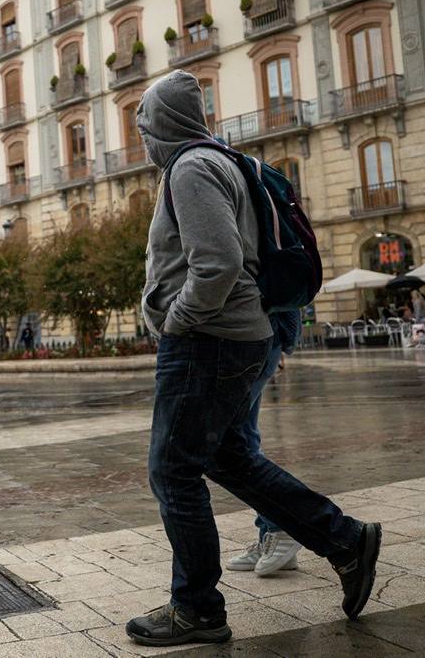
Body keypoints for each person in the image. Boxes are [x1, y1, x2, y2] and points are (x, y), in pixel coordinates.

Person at [127, 72, 379, 647]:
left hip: (208, 341)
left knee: (173, 470)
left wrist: (177, 321)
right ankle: (345, 540)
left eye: (144, 127)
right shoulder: (217, 161)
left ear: (164, 124)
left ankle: (197, 610)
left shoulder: (191, 168)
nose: (142, 140)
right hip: (231, 339)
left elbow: (216, 263)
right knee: (229, 457)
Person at [226, 309, 303, 577]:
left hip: (252, 335)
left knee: (231, 442)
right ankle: (272, 534)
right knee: (243, 438)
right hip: (255, 333)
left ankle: (283, 527)